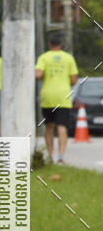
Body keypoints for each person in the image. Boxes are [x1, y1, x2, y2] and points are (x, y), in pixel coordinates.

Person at [35, 32, 79, 164]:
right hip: (63, 97)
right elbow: (74, 79)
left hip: (47, 96)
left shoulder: (44, 57)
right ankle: (61, 156)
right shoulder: (68, 58)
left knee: (49, 127)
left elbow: (38, 74)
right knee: (62, 126)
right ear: (61, 44)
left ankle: (50, 156)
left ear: (49, 44)